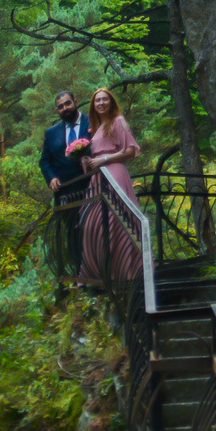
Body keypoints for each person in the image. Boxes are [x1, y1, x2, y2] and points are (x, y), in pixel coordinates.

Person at [75, 86, 143, 287]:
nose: (101, 103)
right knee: (92, 223)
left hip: (113, 173)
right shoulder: (95, 129)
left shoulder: (118, 121)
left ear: (111, 102)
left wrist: (104, 158)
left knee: (115, 220)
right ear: (93, 105)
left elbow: (131, 151)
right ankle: (99, 271)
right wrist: (88, 159)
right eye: (97, 100)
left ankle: (123, 272)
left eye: (105, 99)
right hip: (98, 178)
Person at [39, 87, 90, 278]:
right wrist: (51, 177)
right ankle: (81, 275)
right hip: (66, 193)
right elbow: (44, 160)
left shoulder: (91, 121)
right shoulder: (51, 133)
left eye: (68, 103)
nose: (65, 108)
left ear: (76, 101)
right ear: (57, 110)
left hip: (93, 186)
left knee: (96, 229)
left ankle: (102, 270)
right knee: (73, 234)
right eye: (60, 107)